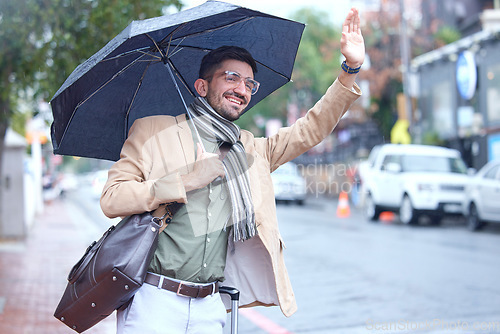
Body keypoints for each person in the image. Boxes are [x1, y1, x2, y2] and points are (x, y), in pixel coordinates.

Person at [100, 8, 365, 334]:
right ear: (201, 86)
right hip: (154, 300)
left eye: (250, 83)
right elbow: (112, 199)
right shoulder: (152, 132)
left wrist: (349, 70)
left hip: (211, 304)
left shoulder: (251, 147)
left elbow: (311, 128)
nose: (243, 89)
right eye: (231, 78)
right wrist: (185, 180)